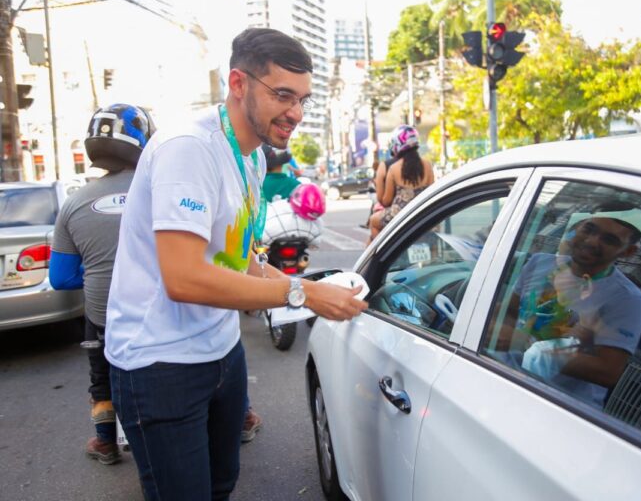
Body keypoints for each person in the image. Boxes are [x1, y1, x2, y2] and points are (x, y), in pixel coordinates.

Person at [104, 28, 367, 500]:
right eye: (283, 95)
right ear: (238, 84)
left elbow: (237, 257)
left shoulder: (252, 159)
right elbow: (184, 278)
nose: (296, 113)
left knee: (222, 485)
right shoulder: (188, 148)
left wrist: (309, 287)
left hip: (221, 352)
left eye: (303, 99)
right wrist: (303, 293)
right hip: (160, 363)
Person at [49, 103, 156, 465]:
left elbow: (61, 278)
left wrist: (97, 271)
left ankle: (105, 441)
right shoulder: (162, 189)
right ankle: (241, 417)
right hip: (162, 310)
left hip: (105, 317)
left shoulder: (74, 203)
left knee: (101, 375)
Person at [494, 216, 641, 407]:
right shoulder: (539, 262)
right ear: (576, 228)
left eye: (609, 240)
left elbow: (607, 371)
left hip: (557, 405)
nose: (592, 241)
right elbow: (510, 310)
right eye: (588, 230)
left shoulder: (627, 299)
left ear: (628, 252)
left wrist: (524, 343)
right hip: (502, 377)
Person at [368, 125, 434, 243]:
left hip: (400, 216)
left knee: (373, 221)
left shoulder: (394, 168)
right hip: (423, 214)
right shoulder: (427, 165)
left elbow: (386, 201)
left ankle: (384, 257)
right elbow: (432, 191)